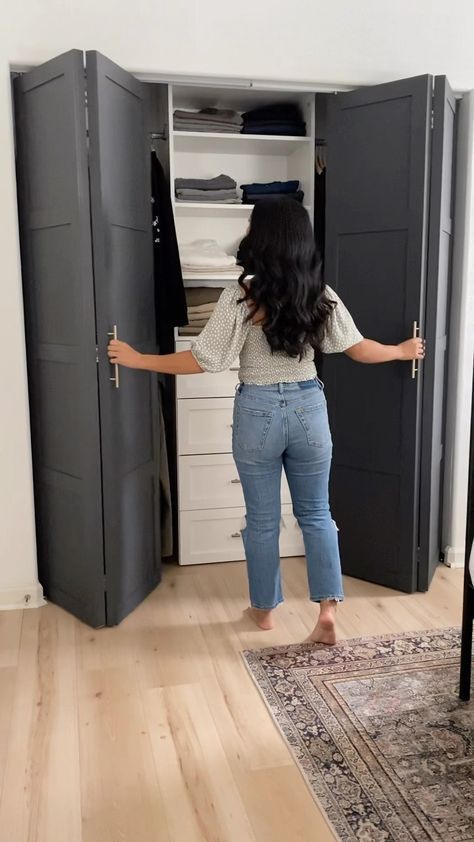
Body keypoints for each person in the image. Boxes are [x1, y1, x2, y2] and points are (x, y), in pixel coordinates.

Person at [108, 200, 425, 645]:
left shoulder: (242, 296)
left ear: (263, 236)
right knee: (317, 513)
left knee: (260, 520)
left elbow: (204, 360)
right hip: (309, 409)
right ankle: (327, 610)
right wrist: (400, 351)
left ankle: (264, 611)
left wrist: (139, 359)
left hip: (256, 411)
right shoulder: (321, 294)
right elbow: (356, 348)